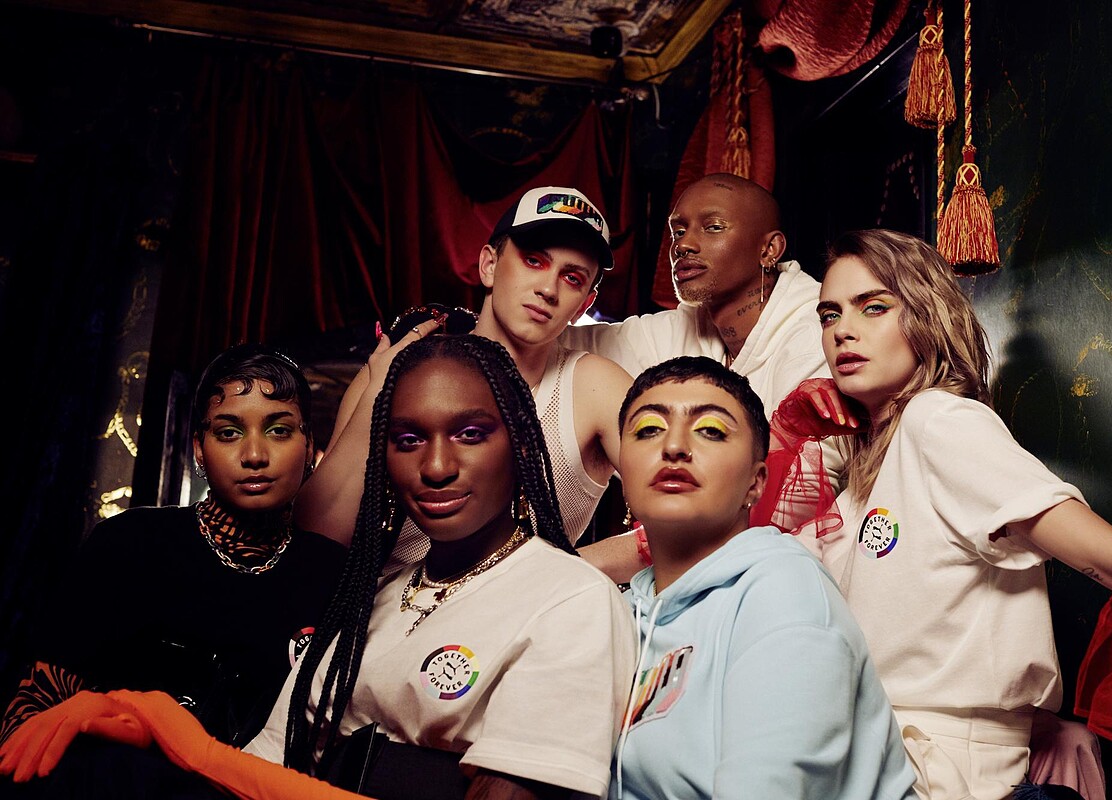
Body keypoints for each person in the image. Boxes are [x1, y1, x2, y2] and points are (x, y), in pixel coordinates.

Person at [0, 335, 636, 800]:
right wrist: (149, 733)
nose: (437, 466)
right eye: (408, 439)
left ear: (520, 442)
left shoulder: (571, 600)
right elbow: (261, 768)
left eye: (471, 433)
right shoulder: (368, 600)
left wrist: (192, 746)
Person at [758, 229, 1112, 800]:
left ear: (927, 317)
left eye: (874, 307)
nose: (843, 329)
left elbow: (1107, 556)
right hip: (875, 749)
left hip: (941, 767)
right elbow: (758, 578)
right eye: (829, 314)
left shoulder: (938, 420)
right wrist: (785, 437)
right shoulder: (862, 478)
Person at [0, 343, 346, 749]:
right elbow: (35, 705)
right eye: (229, 432)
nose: (254, 455)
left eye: (279, 431)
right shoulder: (131, 543)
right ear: (199, 448)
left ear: (309, 446)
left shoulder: (333, 572)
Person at [607, 356, 915, 800]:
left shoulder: (782, 591)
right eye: (648, 429)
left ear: (756, 483)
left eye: (711, 430)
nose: (673, 446)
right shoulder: (620, 613)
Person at [295, 186, 632, 564]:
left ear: (584, 305)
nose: (547, 288)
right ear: (489, 265)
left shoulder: (592, 387)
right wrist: (379, 397)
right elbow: (315, 539)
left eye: (572, 278)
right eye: (533, 261)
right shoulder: (399, 368)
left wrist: (559, 579)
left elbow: (680, 511)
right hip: (379, 600)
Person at [559, 172, 848, 581]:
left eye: (713, 227)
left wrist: (564, 572)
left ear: (769, 249)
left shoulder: (817, 331)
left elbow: (790, 504)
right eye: (678, 230)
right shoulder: (689, 325)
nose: (683, 245)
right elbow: (555, 343)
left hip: (802, 577)